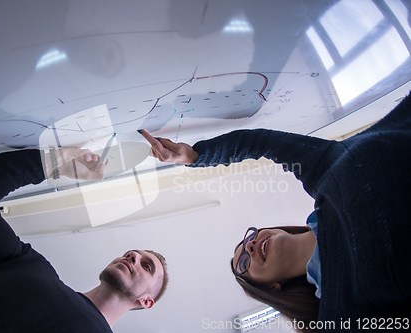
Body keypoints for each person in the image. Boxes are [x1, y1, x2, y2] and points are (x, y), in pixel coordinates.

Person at [139, 93, 411, 331]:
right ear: (271, 288)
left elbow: (261, 143)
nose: (251, 246)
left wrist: (196, 157)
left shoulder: (324, 176)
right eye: (244, 263)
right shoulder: (341, 313)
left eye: (246, 241)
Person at [0, 148, 168, 332]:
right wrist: (56, 164)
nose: (133, 256)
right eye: (132, 252)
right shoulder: (33, 267)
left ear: (146, 302)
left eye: (147, 266)